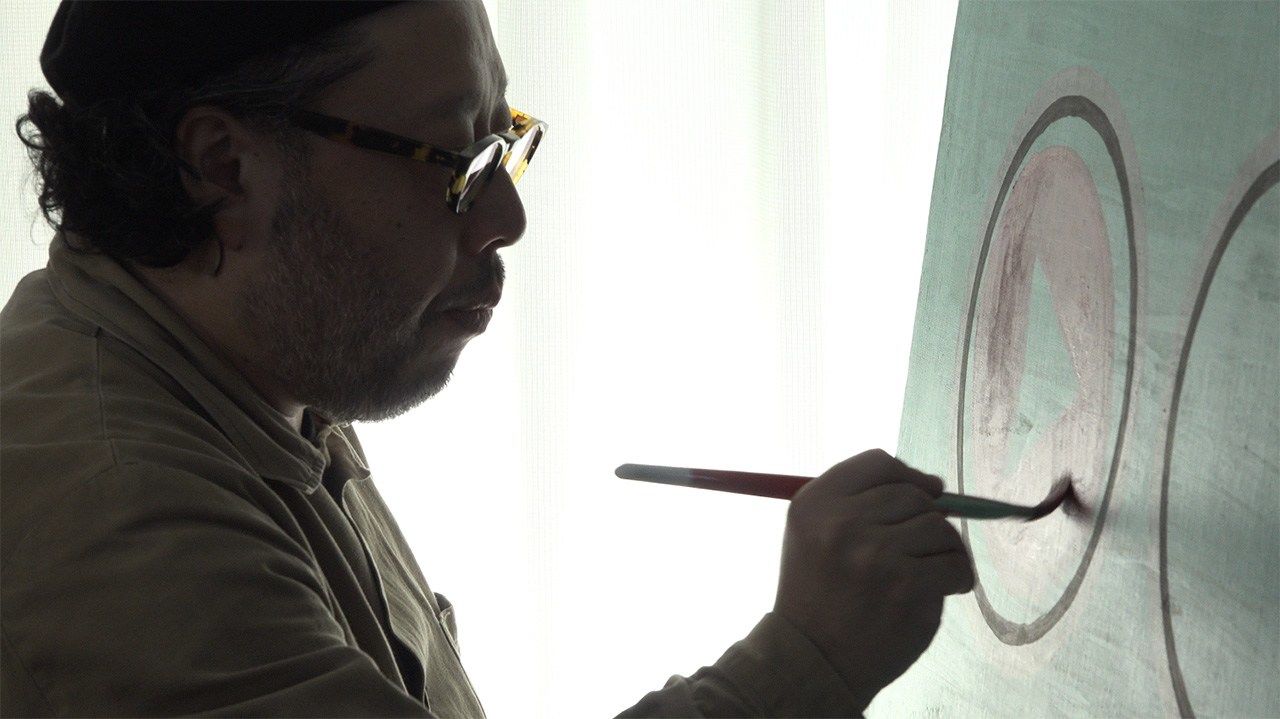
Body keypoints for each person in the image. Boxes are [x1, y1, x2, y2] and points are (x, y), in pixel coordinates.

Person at [0, 2, 975, 716]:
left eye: (504, 142)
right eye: (456, 161)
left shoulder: (251, 374)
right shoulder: (115, 513)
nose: (506, 217)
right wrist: (808, 657)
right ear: (224, 167)